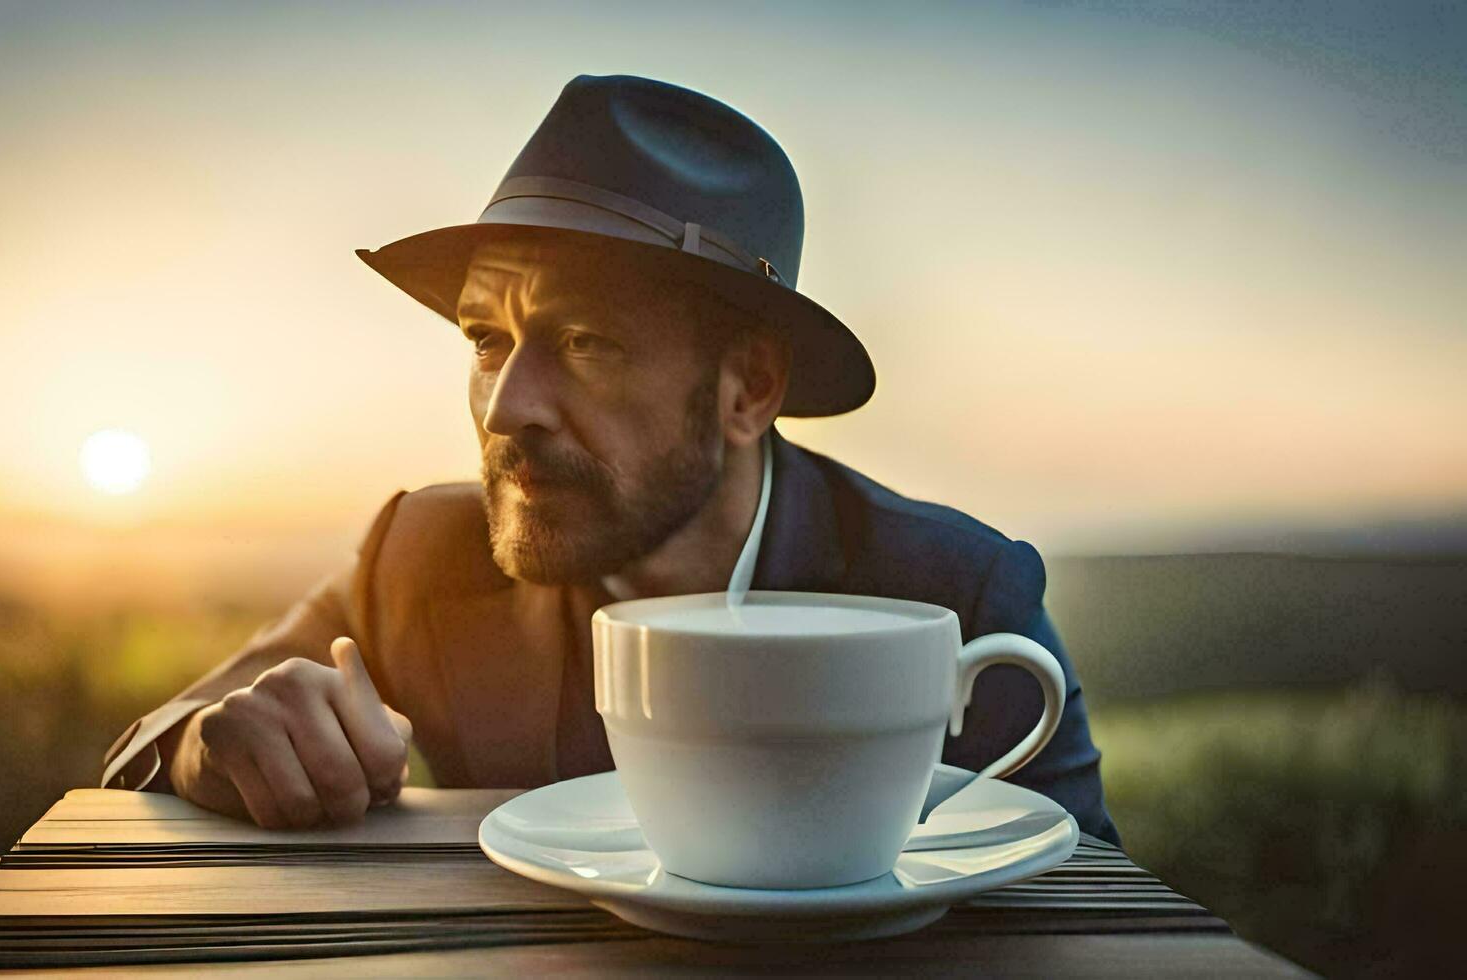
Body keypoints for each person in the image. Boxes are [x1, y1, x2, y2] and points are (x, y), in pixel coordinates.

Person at [101, 73, 1121, 847]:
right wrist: (210, 741)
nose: (507, 406)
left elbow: (1087, 906)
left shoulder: (955, 594)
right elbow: (159, 739)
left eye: (585, 342)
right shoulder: (419, 551)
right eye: (486, 338)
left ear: (749, 389)